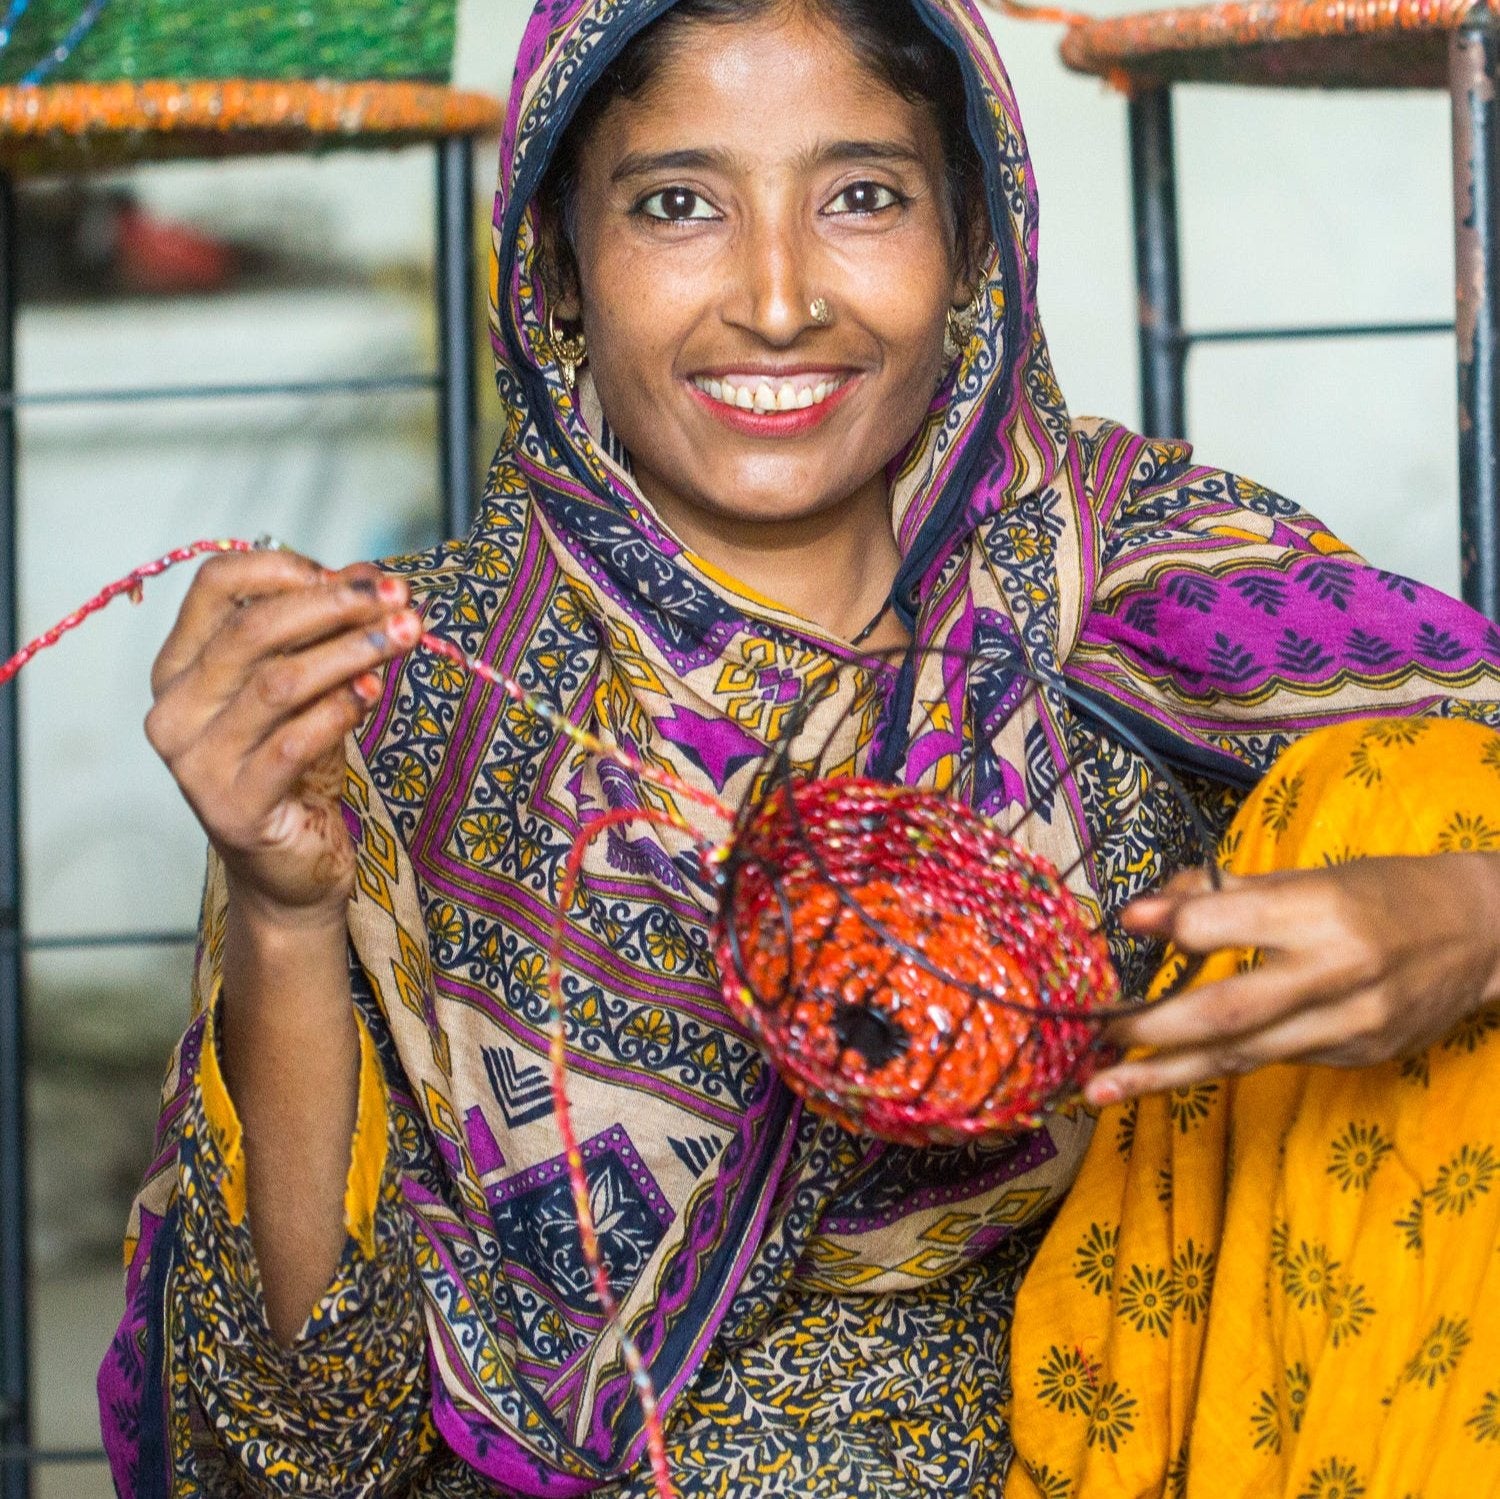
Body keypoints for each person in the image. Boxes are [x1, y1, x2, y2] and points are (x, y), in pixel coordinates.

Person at [98, 0, 1500, 1494]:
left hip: (1112, 1446)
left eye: (862, 198)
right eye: (678, 204)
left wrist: (1472, 922)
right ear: (558, 263)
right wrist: (288, 909)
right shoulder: (400, 691)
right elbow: (287, 1454)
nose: (777, 301)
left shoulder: (1140, 582)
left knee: (1438, 800)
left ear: (974, 236)